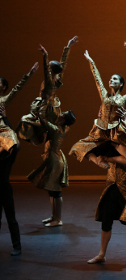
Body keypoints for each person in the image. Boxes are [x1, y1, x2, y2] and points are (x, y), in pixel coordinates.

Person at [69, 51, 126, 168]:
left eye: (115, 79)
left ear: (121, 84)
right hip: (101, 132)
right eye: (111, 79)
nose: (111, 80)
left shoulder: (125, 99)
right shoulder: (105, 96)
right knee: (77, 148)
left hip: (117, 135)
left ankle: (105, 158)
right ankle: (97, 160)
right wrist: (91, 61)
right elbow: (97, 79)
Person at [28, 62, 76, 227]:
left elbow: (42, 119)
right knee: (51, 189)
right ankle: (54, 216)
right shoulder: (62, 126)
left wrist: (44, 103)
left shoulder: (56, 128)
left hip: (54, 160)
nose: (60, 113)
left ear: (63, 119)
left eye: (62, 113)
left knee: (56, 191)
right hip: (53, 157)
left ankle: (58, 218)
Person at [0, 62, 39, 256]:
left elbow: (18, 88)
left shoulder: (3, 100)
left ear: (3, 87)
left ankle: (17, 245)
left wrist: (30, 73)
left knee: (9, 211)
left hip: (4, 140)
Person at [17, 36, 78, 145]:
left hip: (45, 106)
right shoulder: (56, 78)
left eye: (49, 67)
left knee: (25, 119)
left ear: (51, 69)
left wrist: (45, 55)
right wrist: (68, 47)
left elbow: (46, 70)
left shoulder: (50, 81)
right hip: (51, 104)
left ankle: (28, 136)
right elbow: (62, 64)